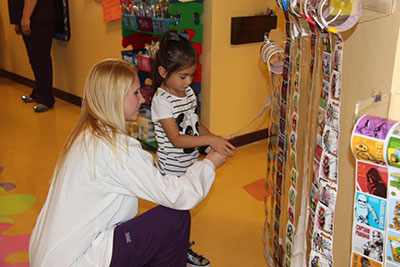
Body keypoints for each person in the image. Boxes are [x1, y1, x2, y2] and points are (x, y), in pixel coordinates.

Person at [29, 59, 227, 267]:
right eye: (135, 93)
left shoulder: (86, 133)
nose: (142, 99)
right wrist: (209, 164)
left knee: (146, 224)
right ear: (114, 98)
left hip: (50, 255)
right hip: (77, 260)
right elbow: (177, 196)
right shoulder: (115, 149)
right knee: (175, 218)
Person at [151, 29, 235, 267]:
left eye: (192, 76)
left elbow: (195, 123)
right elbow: (176, 139)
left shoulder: (187, 93)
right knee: (176, 214)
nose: (189, 82)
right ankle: (175, 251)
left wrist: (215, 138)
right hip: (170, 169)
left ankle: (176, 248)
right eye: (183, 76)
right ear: (163, 72)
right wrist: (209, 142)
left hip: (188, 164)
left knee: (180, 214)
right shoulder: (161, 101)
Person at [7, 0, 56, 112]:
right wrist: (18, 21)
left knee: (40, 59)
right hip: (31, 18)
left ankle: (46, 99)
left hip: (38, 18)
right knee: (34, 59)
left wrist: (25, 18)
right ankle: (39, 92)